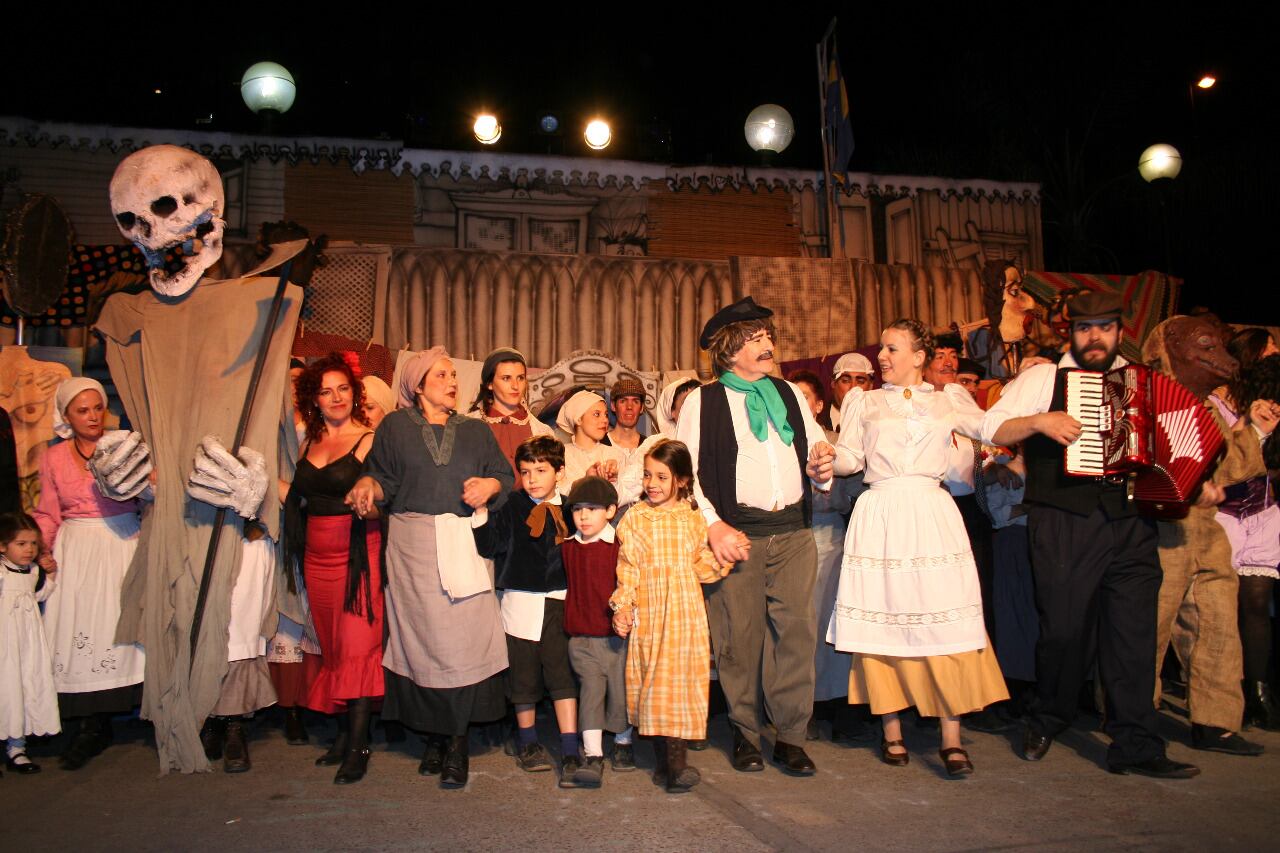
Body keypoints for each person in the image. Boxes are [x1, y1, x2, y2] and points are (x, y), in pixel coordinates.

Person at [981, 290, 1199, 778]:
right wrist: (1039, 420)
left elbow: (1171, 438)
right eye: (1084, 328)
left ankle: (1136, 743)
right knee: (1063, 629)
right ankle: (1048, 716)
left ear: (1120, 331)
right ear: (1069, 332)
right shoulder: (1044, 377)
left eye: (1104, 327)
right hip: (1065, 518)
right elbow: (990, 427)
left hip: (1131, 522)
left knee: (1133, 635)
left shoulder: (1141, 381)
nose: (1094, 337)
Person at [827, 319, 1008, 776]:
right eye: (881, 348)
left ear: (918, 356)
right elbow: (850, 458)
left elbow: (993, 428)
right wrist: (823, 462)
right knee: (884, 621)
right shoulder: (862, 400)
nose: (881, 357)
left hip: (931, 513)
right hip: (881, 511)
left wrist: (1040, 420)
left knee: (948, 622)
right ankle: (892, 731)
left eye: (891, 348)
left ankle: (951, 736)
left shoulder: (949, 400)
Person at [677, 296, 835, 776]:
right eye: (755, 339)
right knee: (737, 639)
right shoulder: (702, 402)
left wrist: (824, 464)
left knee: (796, 636)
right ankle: (745, 733)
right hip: (737, 537)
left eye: (767, 337)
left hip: (793, 533)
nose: (767, 345)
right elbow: (687, 476)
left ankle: (790, 736)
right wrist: (714, 525)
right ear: (728, 351)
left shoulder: (787, 393)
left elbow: (818, 451)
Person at [345, 347, 513, 789]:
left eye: (454, 375)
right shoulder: (396, 427)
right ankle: (437, 737)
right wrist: (366, 483)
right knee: (422, 644)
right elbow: (381, 477)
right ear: (418, 385)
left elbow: (505, 476)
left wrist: (490, 484)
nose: (452, 381)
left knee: (460, 646)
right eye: (441, 375)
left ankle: (456, 743)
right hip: (413, 546)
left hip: (462, 543)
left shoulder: (475, 430)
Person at [1142, 315, 1270, 757]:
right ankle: (1136, 715)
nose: (1219, 356)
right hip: (1159, 529)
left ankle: (1215, 721)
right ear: (1172, 346)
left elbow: (1233, 469)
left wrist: (1254, 431)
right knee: (1150, 627)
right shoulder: (1146, 396)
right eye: (1206, 346)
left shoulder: (1210, 406)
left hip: (1206, 532)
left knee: (1217, 625)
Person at [283, 353, 384, 785]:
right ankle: (345, 737)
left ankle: (359, 747)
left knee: (359, 646)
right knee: (334, 647)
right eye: (326, 390)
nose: (336, 397)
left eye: (343, 388)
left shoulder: (372, 438)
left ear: (355, 393)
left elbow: (387, 498)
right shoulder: (308, 442)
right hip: (316, 558)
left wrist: (368, 499)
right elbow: (301, 498)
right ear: (314, 399)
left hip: (360, 556)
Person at [33, 377, 144, 771]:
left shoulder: (124, 446)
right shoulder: (54, 457)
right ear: (66, 416)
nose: (93, 416)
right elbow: (48, 510)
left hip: (122, 541)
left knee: (122, 626)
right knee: (81, 628)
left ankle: (134, 706)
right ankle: (89, 723)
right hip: (77, 547)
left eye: (97, 408)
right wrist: (42, 551)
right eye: (83, 410)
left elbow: (146, 494)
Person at [610, 440, 728, 792]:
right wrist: (624, 605)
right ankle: (666, 761)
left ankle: (676, 763)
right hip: (651, 610)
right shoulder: (635, 518)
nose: (652, 483)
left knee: (680, 682)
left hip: (685, 612)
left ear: (680, 480)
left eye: (662, 476)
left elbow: (702, 566)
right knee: (653, 681)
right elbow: (627, 568)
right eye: (647, 475)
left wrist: (726, 557)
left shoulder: (693, 518)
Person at [472, 435, 583, 787]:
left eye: (541, 470)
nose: (532, 478)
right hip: (520, 603)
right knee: (523, 677)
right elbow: (490, 546)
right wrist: (480, 514)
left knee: (562, 675)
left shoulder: (572, 508)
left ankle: (569, 746)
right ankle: (528, 741)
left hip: (561, 601)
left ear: (560, 471)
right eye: (525, 471)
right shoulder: (511, 506)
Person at [788, 370, 868, 742]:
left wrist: (825, 490)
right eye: (794, 397)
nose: (801, 403)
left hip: (830, 539)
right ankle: (798, 708)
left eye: (807, 397)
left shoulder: (839, 443)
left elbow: (853, 491)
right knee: (795, 629)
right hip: (791, 538)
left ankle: (836, 703)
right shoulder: (780, 444)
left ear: (819, 405)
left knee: (830, 626)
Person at [1211, 334, 1280, 731]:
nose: (1274, 354)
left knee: (1257, 602)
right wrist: (1251, 428)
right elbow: (1223, 462)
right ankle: (1224, 694)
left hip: (1263, 510)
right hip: (1223, 511)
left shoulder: (1271, 398)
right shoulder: (1217, 402)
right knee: (1221, 606)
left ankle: (1258, 694)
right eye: (1267, 348)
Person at [561, 476, 634, 786]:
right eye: (578, 509)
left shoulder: (619, 546)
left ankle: (623, 743)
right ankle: (593, 755)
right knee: (590, 693)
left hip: (615, 638)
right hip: (581, 639)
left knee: (620, 694)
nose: (584, 516)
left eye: (592, 509)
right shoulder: (567, 547)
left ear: (610, 510)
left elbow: (630, 584)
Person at [0, 512, 59, 775]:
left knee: (22, 688)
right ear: (3, 546)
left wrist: (52, 574)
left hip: (26, 644)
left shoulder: (33, 571)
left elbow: (40, 595)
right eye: (21, 544)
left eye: (33, 544)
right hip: (4, 644)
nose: (29, 550)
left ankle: (17, 747)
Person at [468, 347, 553, 487]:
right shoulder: (469, 426)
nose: (515, 386)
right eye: (506, 378)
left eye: (520, 378)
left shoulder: (543, 432)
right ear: (489, 384)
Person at [558, 390, 624, 490]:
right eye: (597, 414)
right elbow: (554, 493)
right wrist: (585, 481)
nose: (605, 420)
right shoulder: (561, 456)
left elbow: (626, 495)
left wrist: (615, 477)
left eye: (606, 415)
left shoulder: (616, 455)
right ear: (578, 419)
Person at [829, 352, 874, 429]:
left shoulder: (879, 420)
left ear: (870, 386)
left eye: (860, 382)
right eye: (846, 380)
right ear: (833, 383)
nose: (853, 387)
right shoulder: (815, 417)